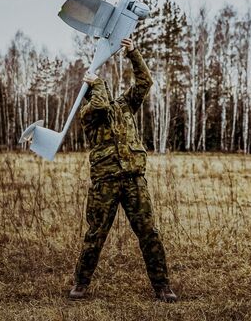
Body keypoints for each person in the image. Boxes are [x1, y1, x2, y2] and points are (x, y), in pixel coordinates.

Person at [69, 37, 177, 302]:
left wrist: (132, 53)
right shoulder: (89, 114)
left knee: (149, 233)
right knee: (96, 234)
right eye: (96, 89)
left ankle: (162, 286)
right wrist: (96, 84)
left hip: (133, 180)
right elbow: (101, 104)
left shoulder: (125, 106)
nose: (100, 91)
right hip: (105, 182)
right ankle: (80, 284)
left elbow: (144, 83)